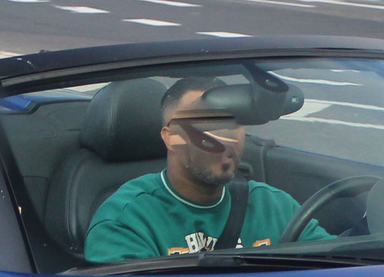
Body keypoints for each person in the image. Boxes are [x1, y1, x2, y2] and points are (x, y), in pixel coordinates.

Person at [83, 78, 326, 263]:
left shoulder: (274, 206)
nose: (225, 137)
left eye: (233, 122)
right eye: (207, 123)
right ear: (171, 138)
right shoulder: (127, 219)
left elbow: (337, 270)